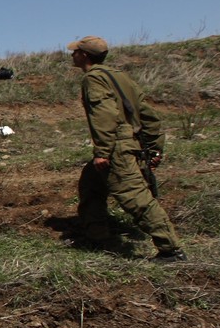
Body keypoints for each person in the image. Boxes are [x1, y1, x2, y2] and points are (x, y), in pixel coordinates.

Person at [68, 35, 186, 262]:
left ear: (84, 55)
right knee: (91, 185)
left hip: (115, 147)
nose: (72, 54)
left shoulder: (93, 79)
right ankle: (97, 235)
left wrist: (103, 151)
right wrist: (154, 149)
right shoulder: (119, 77)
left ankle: (170, 249)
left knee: (135, 197)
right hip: (129, 142)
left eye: (75, 51)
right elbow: (148, 114)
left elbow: (105, 115)